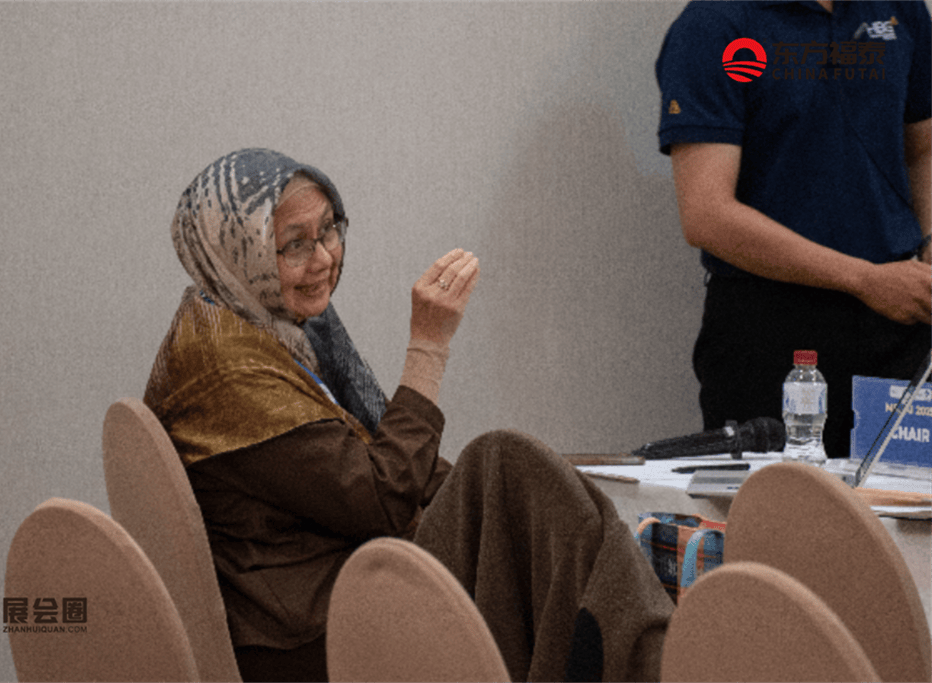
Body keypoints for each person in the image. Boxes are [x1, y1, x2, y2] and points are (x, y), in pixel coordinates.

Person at [144, 148, 673, 682]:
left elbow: (377, 463)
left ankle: (646, 661)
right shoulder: (226, 371)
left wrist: (496, 496)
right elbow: (383, 499)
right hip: (314, 633)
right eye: (294, 244)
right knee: (509, 466)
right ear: (238, 251)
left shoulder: (262, 321)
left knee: (518, 481)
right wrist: (429, 344)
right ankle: (659, 664)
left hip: (341, 580)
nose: (323, 258)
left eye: (328, 230)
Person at [656, 0, 931, 459]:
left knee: (903, 499)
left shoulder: (900, 8)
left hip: (899, 321)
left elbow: (923, 148)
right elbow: (707, 214)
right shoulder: (714, 24)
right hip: (770, 330)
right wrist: (864, 279)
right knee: (778, 502)